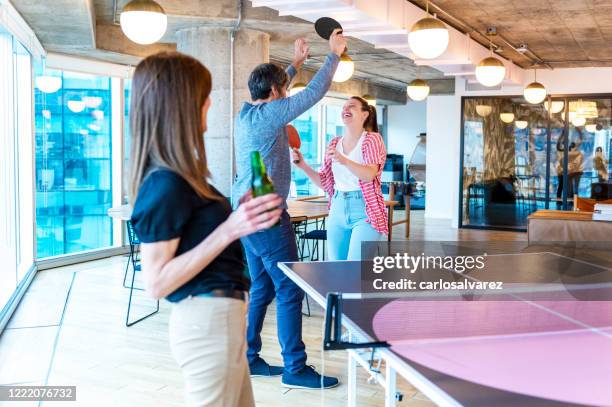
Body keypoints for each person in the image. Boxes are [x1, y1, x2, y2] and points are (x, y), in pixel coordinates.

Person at [128, 52, 282, 407]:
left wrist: (240, 212)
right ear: (180, 105)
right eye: (203, 95)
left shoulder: (183, 176)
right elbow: (156, 282)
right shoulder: (164, 182)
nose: (211, 101)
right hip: (206, 324)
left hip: (222, 320)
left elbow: (200, 236)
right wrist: (230, 228)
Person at [231, 31, 346, 389]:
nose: (286, 94)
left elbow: (283, 87)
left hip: (244, 213)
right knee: (289, 288)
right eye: (283, 90)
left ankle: (248, 358)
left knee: (263, 287)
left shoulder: (248, 112)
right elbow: (312, 94)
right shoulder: (271, 115)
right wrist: (333, 55)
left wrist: (295, 63)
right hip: (265, 215)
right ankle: (296, 367)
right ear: (276, 94)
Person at [292, 96, 388, 260]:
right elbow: (325, 182)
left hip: (366, 210)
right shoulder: (334, 143)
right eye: (344, 107)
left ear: (364, 114)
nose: (345, 109)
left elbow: (369, 175)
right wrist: (303, 166)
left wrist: (343, 160)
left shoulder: (372, 139)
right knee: (338, 270)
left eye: (351, 106)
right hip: (337, 208)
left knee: (354, 271)